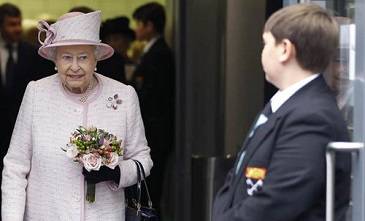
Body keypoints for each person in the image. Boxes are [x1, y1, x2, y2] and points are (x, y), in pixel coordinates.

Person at [1, 11, 152, 221]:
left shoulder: (124, 96)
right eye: (66, 57)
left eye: (83, 57)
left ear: (95, 58)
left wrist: (116, 173)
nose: (74, 67)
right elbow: (15, 167)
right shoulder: (36, 93)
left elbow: (143, 160)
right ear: (55, 60)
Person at [212, 4, 351, 221]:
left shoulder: (312, 117)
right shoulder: (287, 103)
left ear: (285, 49)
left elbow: (276, 204)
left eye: (266, 43)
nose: (263, 51)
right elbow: (237, 177)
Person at [131, 2, 175, 215]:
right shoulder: (151, 51)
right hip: (154, 133)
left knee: (151, 193)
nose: (136, 29)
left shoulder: (159, 54)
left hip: (154, 134)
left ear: (149, 26)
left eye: (139, 24)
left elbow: (151, 97)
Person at [0, 3, 44, 164]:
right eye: (11, 24)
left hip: (22, 128)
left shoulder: (32, 53)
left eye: (19, 23)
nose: (17, 28)